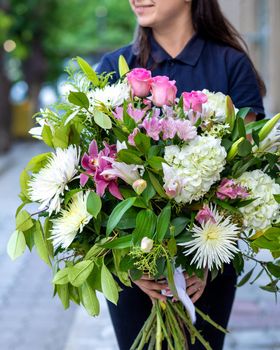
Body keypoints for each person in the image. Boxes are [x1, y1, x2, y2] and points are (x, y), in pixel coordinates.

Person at [96, 1, 265, 349]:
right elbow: (99, 175)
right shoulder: (115, 68)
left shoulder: (231, 64)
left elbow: (248, 177)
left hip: (208, 267)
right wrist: (129, 264)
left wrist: (205, 262)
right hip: (135, 273)